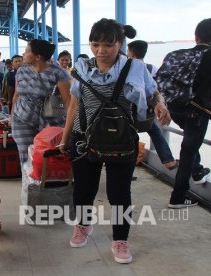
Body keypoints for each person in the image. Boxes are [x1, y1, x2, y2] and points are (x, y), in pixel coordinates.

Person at [59, 18, 171, 264]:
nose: (101, 50)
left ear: (120, 43)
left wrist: (160, 105)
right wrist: (65, 139)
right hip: (83, 138)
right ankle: (83, 225)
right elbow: (74, 105)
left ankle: (120, 240)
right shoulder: (81, 67)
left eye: (108, 44)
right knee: (83, 190)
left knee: (119, 193)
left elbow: (153, 93)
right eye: (95, 44)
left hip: (122, 139)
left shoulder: (136, 68)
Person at [163, 18, 211, 209]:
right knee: (188, 149)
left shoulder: (176, 54)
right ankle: (178, 197)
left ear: (196, 35)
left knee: (190, 143)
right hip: (198, 110)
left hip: (174, 108)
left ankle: (199, 170)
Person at [10, 39, 71, 165]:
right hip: (22, 115)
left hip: (52, 110)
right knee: (25, 153)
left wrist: (67, 128)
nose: (23, 54)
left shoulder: (59, 73)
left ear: (37, 57)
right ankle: (28, 183)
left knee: (48, 152)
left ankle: (47, 181)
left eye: (27, 51)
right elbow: (16, 95)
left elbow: (68, 102)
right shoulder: (21, 70)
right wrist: (12, 115)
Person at [127, 40, 178, 170]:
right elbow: (158, 88)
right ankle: (168, 160)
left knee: (131, 138)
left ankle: (130, 169)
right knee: (154, 130)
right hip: (149, 110)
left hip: (131, 111)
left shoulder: (127, 69)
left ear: (131, 53)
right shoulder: (152, 68)